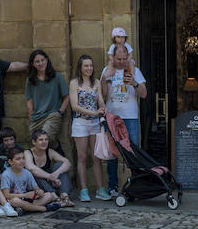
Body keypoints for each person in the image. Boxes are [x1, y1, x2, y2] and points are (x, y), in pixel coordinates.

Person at [100, 44, 146, 199]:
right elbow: (103, 95)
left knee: (133, 151)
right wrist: (106, 78)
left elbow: (144, 94)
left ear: (128, 56)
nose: (121, 61)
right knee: (112, 153)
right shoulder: (106, 71)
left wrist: (134, 82)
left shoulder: (135, 71)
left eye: (123, 58)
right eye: (118, 58)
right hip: (113, 117)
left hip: (130, 117)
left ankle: (136, 186)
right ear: (113, 57)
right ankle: (112, 187)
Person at [68, 55, 106, 203]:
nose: (89, 68)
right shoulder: (74, 83)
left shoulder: (96, 82)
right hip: (80, 123)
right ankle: (83, 190)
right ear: (80, 67)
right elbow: (74, 106)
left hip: (95, 124)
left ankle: (100, 189)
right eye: (86, 66)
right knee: (82, 157)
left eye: (90, 65)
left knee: (97, 157)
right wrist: (94, 112)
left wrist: (103, 108)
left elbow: (100, 100)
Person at [24, 49, 69, 148]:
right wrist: (30, 116)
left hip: (52, 115)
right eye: (37, 61)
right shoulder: (30, 80)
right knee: (35, 142)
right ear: (33, 64)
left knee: (44, 138)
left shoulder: (56, 77)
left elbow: (67, 96)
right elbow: (29, 100)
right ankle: (56, 153)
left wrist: (60, 112)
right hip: (36, 117)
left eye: (42, 60)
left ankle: (55, 153)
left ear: (47, 60)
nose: (40, 63)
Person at [0, 147, 60, 214]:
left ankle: (25, 209)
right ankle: (43, 208)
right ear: (10, 162)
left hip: (26, 201)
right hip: (14, 200)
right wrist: (25, 195)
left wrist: (39, 191)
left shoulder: (27, 172)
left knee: (49, 195)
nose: (22, 161)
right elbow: (6, 195)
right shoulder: (6, 175)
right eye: (18, 159)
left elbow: (37, 188)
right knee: (15, 201)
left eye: (23, 158)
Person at [24, 130, 73, 205]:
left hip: (51, 183)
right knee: (33, 173)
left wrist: (56, 173)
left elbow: (67, 163)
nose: (44, 142)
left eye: (46, 139)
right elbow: (31, 168)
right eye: (41, 140)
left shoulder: (49, 151)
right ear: (34, 142)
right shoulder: (27, 153)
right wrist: (50, 176)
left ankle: (64, 196)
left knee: (60, 164)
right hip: (39, 186)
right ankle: (55, 198)